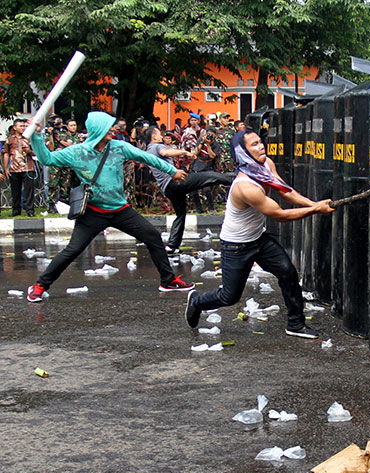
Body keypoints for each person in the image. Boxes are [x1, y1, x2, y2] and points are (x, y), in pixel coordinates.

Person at [24, 111, 194, 303]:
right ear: (98, 130)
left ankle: (168, 281)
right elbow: (46, 159)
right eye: (108, 127)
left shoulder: (119, 147)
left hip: (120, 210)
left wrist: (171, 171)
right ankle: (40, 285)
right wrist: (36, 136)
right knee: (73, 250)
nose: (113, 129)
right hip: (93, 212)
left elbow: (148, 158)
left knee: (153, 237)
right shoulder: (77, 152)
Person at [185, 129, 333, 338]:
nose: (261, 146)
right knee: (229, 297)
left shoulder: (266, 165)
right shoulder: (245, 186)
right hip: (236, 245)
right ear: (243, 152)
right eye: (254, 144)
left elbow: (285, 190)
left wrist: (314, 203)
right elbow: (280, 215)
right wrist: (316, 210)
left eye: (260, 142)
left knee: (288, 273)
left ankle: (295, 324)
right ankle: (197, 301)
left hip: (258, 238)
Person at [142, 126, 233, 254]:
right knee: (208, 176)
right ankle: (238, 178)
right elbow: (165, 153)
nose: (162, 136)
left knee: (180, 215)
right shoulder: (156, 147)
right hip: (175, 183)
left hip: (168, 189)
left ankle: (172, 246)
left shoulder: (148, 150)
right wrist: (185, 152)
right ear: (154, 137)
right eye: (159, 134)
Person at [4, 119, 36, 216]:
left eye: (24, 126)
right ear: (15, 127)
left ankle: (30, 210)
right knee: (15, 191)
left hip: (28, 167)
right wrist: (6, 168)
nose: (23, 128)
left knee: (29, 191)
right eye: (20, 126)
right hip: (14, 168)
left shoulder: (29, 138)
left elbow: (36, 152)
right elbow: (6, 153)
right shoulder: (10, 140)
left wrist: (29, 151)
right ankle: (16, 210)